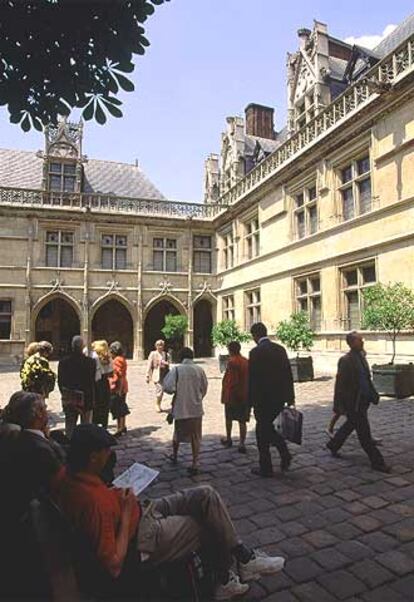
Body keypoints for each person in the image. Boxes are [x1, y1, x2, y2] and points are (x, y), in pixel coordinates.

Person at [55, 423, 286, 601]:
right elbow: (114, 565)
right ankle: (224, 580)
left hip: (143, 510)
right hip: (143, 537)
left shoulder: (68, 474)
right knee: (205, 524)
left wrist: (116, 493)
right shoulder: (94, 503)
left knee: (205, 494)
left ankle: (244, 556)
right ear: (93, 457)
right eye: (106, 450)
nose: (109, 455)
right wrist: (125, 515)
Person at [326, 331, 390, 472]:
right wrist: (338, 405)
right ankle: (377, 462)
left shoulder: (361, 358)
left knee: (350, 425)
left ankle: (334, 444)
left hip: (362, 401)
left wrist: (373, 394)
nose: (362, 341)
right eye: (360, 340)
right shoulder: (346, 360)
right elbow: (340, 385)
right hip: (353, 403)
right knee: (364, 435)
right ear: (352, 342)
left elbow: (366, 379)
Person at [248, 322, 295, 477]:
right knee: (270, 429)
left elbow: (253, 380)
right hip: (279, 398)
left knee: (262, 433)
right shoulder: (280, 349)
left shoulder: (255, 352)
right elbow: (288, 374)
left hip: (263, 400)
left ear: (255, 336)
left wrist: (250, 402)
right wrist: (290, 397)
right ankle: (284, 453)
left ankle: (266, 467)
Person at [163, 347, 208, 475]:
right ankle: (195, 462)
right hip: (195, 408)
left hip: (180, 407)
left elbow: (168, 387)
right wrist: (197, 397)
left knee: (177, 433)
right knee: (195, 436)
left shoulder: (177, 369)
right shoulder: (199, 370)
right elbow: (204, 388)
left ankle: (175, 455)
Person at [58, 335, 96, 439]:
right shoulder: (91, 362)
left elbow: (60, 382)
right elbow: (92, 381)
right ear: (83, 346)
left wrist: (66, 395)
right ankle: (85, 449)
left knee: (70, 427)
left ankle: (70, 448)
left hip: (70, 398)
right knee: (86, 427)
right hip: (86, 399)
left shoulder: (63, 362)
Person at [220, 341, 250, 454]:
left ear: (230, 350)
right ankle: (242, 443)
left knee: (229, 418)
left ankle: (229, 438)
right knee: (242, 420)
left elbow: (232, 380)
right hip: (244, 395)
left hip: (233, 396)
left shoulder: (232, 362)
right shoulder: (246, 361)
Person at [109, 341, 130, 437]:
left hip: (119, 386)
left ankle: (120, 428)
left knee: (118, 408)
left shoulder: (117, 360)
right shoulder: (121, 358)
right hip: (123, 386)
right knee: (121, 406)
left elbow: (119, 376)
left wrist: (119, 389)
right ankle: (123, 426)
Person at [91, 340, 113, 429]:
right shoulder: (108, 357)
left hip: (95, 383)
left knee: (95, 405)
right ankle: (104, 426)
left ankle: (94, 425)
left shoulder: (94, 357)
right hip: (104, 383)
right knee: (105, 406)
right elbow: (111, 373)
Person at [146, 339, 170, 412]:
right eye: (158, 345)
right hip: (157, 374)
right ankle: (157, 404)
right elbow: (149, 365)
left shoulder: (166, 354)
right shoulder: (153, 354)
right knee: (160, 389)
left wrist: (165, 363)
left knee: (162, 390)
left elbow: (169, 363)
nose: (160, 346)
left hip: (164, 374)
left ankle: (158, 404)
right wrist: (147, 375)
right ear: (156, 346)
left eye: (161, 345)